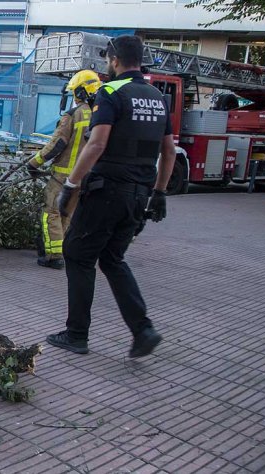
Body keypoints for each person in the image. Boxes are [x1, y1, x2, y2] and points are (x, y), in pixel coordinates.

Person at [46, 35, 175, 358]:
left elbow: (98, 143)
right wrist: (159, 193)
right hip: (139, 195)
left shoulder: (111, 92)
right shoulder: (158, 98)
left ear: (115, 60)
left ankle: (76, 334)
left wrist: (71, 186)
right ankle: (143, 330)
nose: (107, 64)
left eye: (107, 59)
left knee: (77, 253)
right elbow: (169, 150)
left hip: (107, 191)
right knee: (113, 258)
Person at [28, 70, 102, 270]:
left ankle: (53, 256)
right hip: (84, 177)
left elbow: (56, 145)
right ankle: (64, 251)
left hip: (62, 175)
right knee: (67, 214)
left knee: (50, 212)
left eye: (75, 92)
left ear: (80, 91)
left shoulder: (73, 115)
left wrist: (33, 163)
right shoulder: (100, 115)